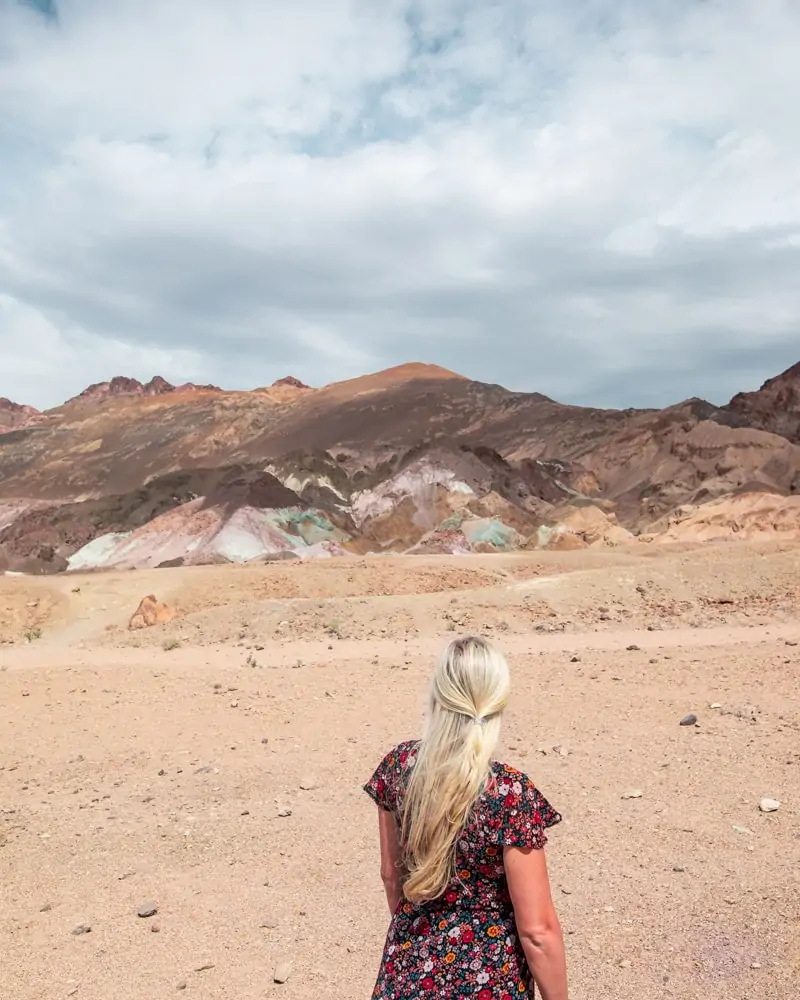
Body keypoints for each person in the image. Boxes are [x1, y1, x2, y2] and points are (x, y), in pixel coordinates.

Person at [364, 635, 568, 1000]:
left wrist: (419, 941)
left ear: (438, 696)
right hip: (490, 982)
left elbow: (391, 875)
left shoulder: (398, 768)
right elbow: (537, 931)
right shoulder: (510, 794)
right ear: (498, 700)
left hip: (407, 975)